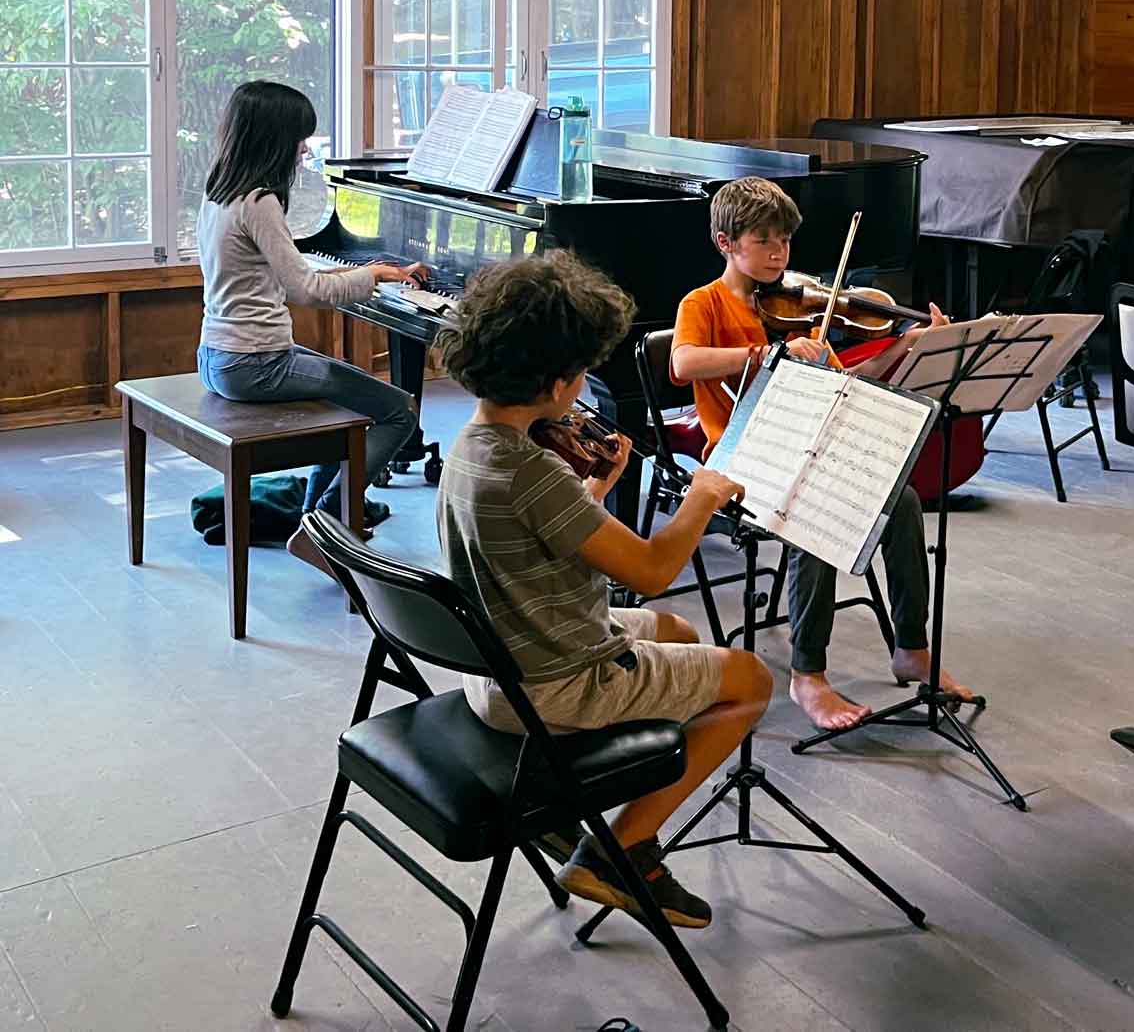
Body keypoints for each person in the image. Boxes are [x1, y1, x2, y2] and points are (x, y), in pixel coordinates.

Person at [435, 250, 772, 930]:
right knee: (750, 680)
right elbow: (649, 570)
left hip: (501, 666)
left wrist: (595, 491)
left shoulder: (470, 445)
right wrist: (701, 497)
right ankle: (620, 846)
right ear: (557, 382)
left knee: (675, 632)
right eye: (582, 371)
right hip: (556, 682)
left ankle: (599, 790)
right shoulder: (533, 471)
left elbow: (546, 538)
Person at [672, 176, 972, 732]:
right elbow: (684, 364)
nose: (779, 254)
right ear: (725, 242)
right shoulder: (704, 304)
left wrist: (906, 346)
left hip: (809, 448)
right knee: (814, 515)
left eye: (784, 241)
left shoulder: (796, 310)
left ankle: (912, 646)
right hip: (742, 460)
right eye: (763, 241)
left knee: (901, 500)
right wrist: (765, 353)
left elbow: (845, 380)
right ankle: (807, 672)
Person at [196, 81, 427, 573]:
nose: (304, 147)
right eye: (300, 136)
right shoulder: (260, 201)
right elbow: (306, 292)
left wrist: (364, 273)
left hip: (218, 355)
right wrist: (371, 276)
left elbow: (290, 273)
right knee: (399, 410)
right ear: (273, 137)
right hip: (255, 364)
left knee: (344, 402)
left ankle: (312, 523)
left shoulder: (221, 190)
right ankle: (328, 527)